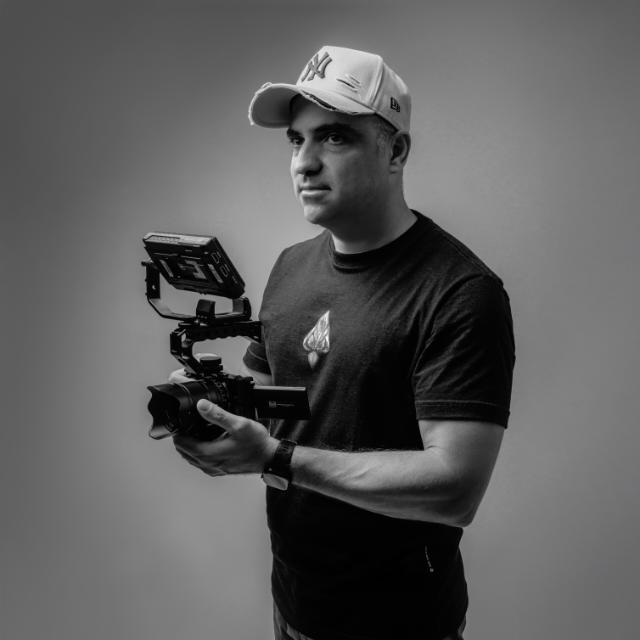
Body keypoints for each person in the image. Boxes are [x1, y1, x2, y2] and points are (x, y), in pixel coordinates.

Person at [171, 45, 515, 640]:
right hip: (295, 603)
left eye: (334, 137)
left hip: (400, 623)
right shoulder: (290, 266)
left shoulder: (460, 292)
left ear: (396, 151)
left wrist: (275, 458)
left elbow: (456, 490)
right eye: (296, 141)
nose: (304, 164)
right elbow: (273, 409)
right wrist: (210, 407)